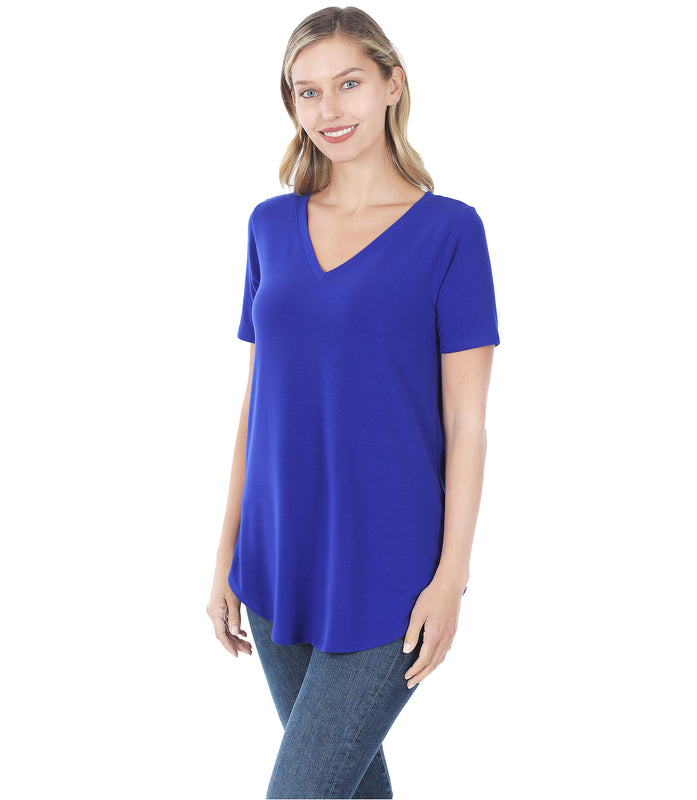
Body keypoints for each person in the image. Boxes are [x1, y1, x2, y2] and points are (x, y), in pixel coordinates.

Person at [206, 6, 500, 798]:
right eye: (307, 92)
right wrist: (226, 552)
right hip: (277, 560)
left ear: (392, 85)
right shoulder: (270, 226)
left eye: (348, 84)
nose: (328, 109)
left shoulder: (450, 232)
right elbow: (257, 404)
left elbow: (467, 423)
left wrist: (452, 578)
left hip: (391, 571)